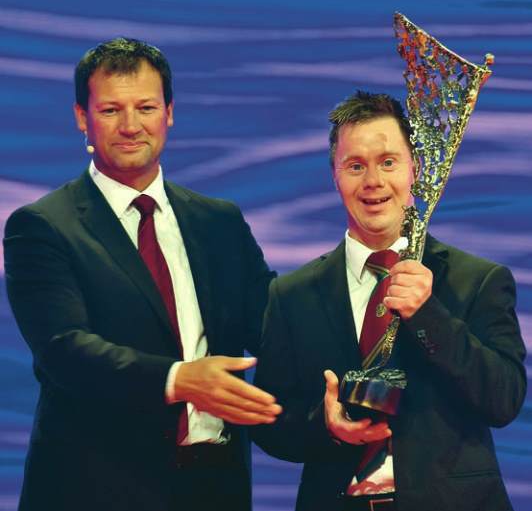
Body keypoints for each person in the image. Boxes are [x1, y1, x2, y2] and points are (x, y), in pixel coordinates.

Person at [3, 37, 281, 511]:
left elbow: (276, 327)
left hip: (215, 487)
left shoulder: (219, 222)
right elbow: (64, 350)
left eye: (146, 107)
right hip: (96, 490)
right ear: (82, 117)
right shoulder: (43, 227)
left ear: (169, 112)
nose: (131, 126)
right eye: (111, 110)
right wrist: (179, 379)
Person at [253, 91, 526, 511]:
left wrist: (429, 315)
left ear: (414, 168)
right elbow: (270, 423)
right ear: (334, 176)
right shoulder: (292, 295)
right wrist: (325, 425)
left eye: (388, 162)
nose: (373, 182)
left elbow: (504, 400)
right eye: (355, 166)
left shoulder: (477, 280)